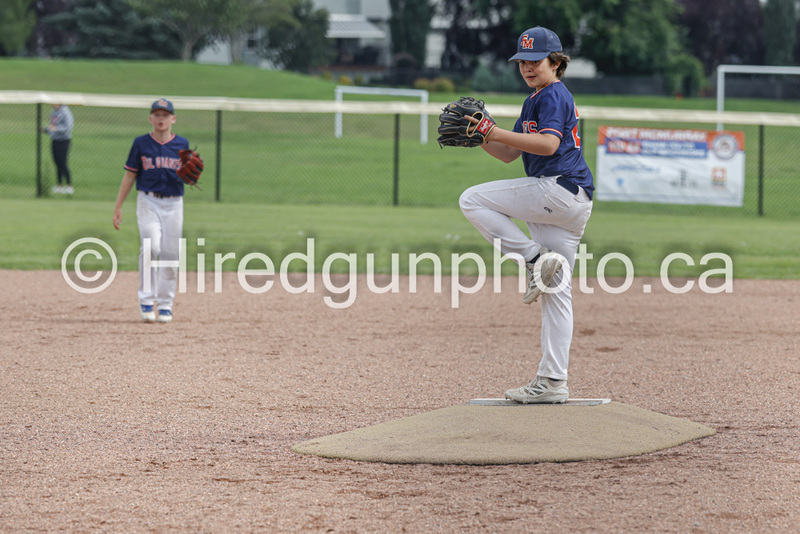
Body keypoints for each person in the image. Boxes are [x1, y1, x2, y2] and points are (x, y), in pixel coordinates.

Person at [458, 26, 594, 404]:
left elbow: (548, 145)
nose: (528, 68)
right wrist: (482, 138)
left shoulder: (553, 94)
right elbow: (509, 154)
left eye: (536, 61)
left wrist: (495, 129)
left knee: (471, 200)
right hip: (569, 204)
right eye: (522, 62)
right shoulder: (535, 98)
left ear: (556, 62)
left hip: (557, 189)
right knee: (557, 292)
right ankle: (553, 382)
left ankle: (534, 259)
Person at [112, 98, 190, 324]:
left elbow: (189, 174)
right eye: (157, 114)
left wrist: (191, 175)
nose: (161, 118)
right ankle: (147, 299)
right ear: (150, 119)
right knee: (151, 246)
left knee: (170, 254)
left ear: (173, 119)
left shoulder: (182, 144)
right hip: (148, 202)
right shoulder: (141, 144)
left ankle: (165, 304)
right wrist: (118, 206)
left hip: (174, 204)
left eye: (165, 115)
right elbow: (130, 176)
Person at [41, 103, 74, 194]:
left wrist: (57, 129)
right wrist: (46, 130)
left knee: (63, 162)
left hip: (64, 140)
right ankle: (59, 185)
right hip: (55, 140)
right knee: (57, 162)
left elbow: (68, 128)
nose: (53, 104)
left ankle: (69, 185)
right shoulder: (53, 112)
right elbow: (52, 126)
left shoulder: (66, 112)